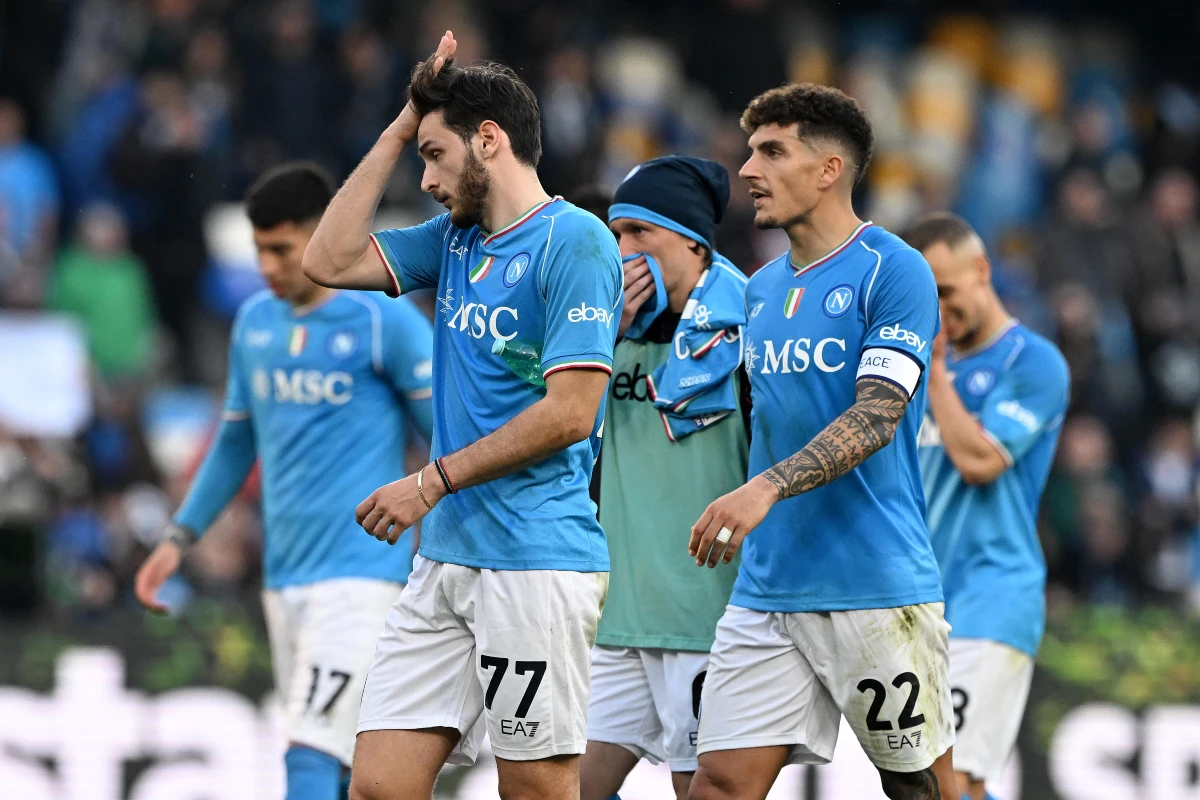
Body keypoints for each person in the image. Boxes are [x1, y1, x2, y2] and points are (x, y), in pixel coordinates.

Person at [300, 33, 623, 800]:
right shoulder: (453, 241)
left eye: (436, 155)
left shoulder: (575, 241)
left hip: (534, 561)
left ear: (489, 140)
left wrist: (433, 480)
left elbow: (572, 413)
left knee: (536, 790)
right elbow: (327, 260)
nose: (428, 177)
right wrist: (401, 125)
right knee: (377, 786)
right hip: (445, 560)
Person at [685, 83, 958, 800]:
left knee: (915, 786)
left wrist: (767, 486)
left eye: (772, 151)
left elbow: (879, 414)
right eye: (750, 152)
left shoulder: (892, 270)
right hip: (766, 589)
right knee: (717, 784)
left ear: (829, 169)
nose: (748, 169)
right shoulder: (759, 288)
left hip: (874, 585)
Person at [134, 162, 435, 800]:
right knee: (357, 764)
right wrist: (178, 537)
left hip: (363, 577)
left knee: (308, 750)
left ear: (322, 235)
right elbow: (235, 443)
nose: (267, 266)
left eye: (281, 249)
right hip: (286, 578)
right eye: (259, 250)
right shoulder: (255, 325)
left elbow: (450, 438)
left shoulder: (384, 321)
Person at [580, 156, 749, 800]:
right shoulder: (600, 332)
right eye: (614, 234)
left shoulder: (748, 330)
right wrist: (602, 335)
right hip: (615, 616)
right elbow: (557, 435)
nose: (620, 250)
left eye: (637, 233)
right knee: (550, 790)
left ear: (690, 240)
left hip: (706, 619)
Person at [907, 212, 1069, 800]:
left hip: (992, 592)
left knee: (957, 778)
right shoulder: (904, 366)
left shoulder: (1032, 361)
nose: (937, 314)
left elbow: (980, 461)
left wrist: (938, 373)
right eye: (925, 298)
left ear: (981, 271)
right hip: (918, 599)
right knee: (930, 784)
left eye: (945, 293)